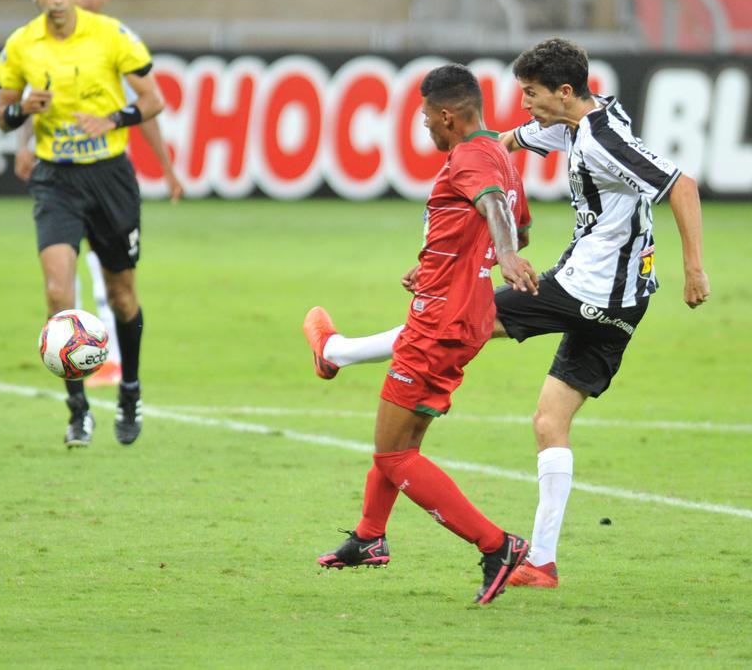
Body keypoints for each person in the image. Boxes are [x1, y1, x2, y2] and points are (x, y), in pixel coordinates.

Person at [304, 38, 710, 588]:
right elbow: (506, 140)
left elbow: (680, 184)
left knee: (454, 317)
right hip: (627, 303)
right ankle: (541, 563)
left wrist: (694, 269)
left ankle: (336, 352)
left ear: (564, 93)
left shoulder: (603, 137)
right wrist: (483, 144)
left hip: (583, 287)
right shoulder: (579, 119)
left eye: (531, 94)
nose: (524, 104)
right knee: (550, 422)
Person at [313, 63, 538, 605]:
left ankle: (496, 545)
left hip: (439, 322)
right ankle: (369, 536)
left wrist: (501, 255)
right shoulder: (502, 157)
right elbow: (518, 222)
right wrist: (446, 260)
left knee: (393, 453)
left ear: (447, 116)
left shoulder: (469, 157)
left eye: (425, 119)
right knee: (402, 439)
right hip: (462, 312)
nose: (424, 129)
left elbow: (496, 215)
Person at [0, 0, 171, 448]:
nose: (56, 0)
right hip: (56, 180)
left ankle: (130, 392)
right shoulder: (21, 45)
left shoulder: (111, 35)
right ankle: (78, 410)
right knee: (57, 293)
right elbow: (1, 114)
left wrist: (114, 120)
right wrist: (20, 111)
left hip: (110, 178)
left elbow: (153, 99)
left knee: (122, 295)